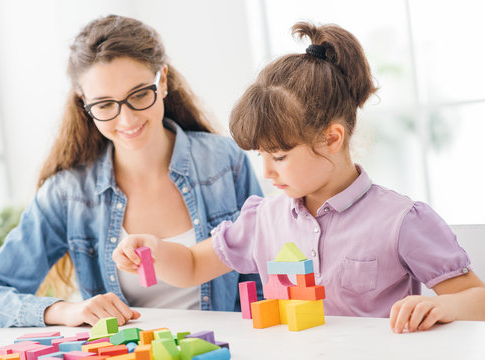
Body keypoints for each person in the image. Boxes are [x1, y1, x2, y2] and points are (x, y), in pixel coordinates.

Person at [114, 21, 485, 334]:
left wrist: (442, 309)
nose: (267, 171)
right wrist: (154, 250)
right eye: (261, 155)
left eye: (279, 155)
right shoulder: (264, 220)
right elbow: (194, 265)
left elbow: (477, 300)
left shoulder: (402, 220)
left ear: (332, 138)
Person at [0, 15, 263, 327]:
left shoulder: (224, 162)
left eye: (140, 94)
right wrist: (68, 311)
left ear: (163, 80)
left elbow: (265, 277)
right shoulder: (69, 193)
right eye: (104, 105)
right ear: (84, 103)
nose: (127, 120)